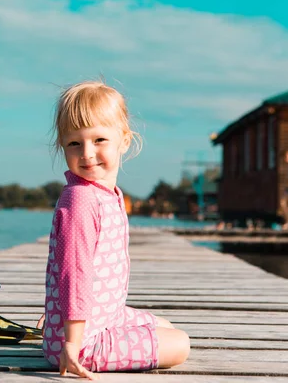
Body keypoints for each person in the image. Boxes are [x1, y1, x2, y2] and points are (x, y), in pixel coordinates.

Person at [37, 81, 190, 380]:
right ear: (62, 146)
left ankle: (60, 329)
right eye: (74, 143)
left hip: (107, 316)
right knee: (180, 344)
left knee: (166, 326)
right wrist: (70, 341)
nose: (87, 153)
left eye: (99, 140)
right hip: (81, 343)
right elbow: (74, 272)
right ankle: (62, 340)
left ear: (125, 141)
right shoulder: (80, 199)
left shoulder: (107, 194)